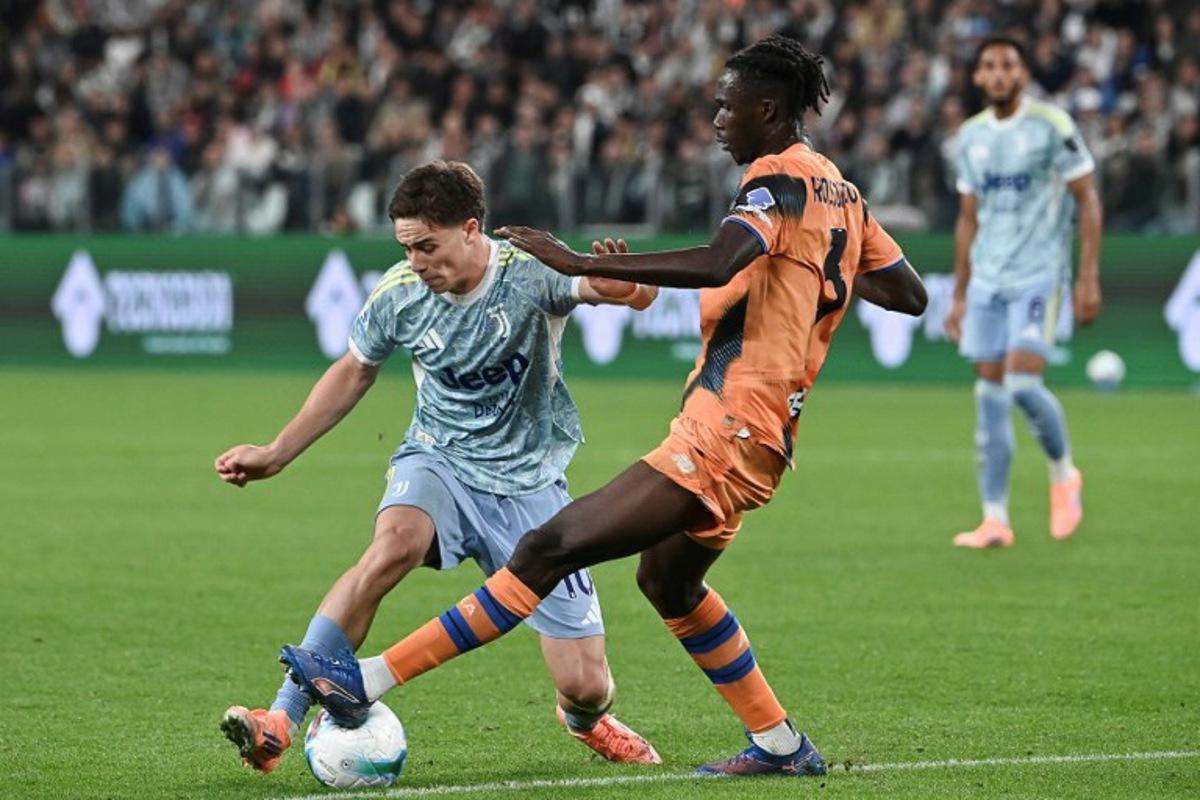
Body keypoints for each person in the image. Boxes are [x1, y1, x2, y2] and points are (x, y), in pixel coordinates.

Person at [281, 36, 926, 778]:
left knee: (547, 548)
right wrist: (819, 266)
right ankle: (781, 745)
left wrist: (582, 261)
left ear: (769, 108)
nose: (716, 116)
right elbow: (909, 294)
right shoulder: (841, 191)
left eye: (728, 103)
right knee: (669, 583)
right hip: (763, 431)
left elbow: (720, 261)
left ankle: (365, 678)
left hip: (731, 423)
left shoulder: (775, 180)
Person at [215, 160, 662, 773]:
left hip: (531, 486)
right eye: (407, 247)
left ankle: (586, 722)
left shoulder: (529, 276)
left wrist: (629, 286)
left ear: (472, 229)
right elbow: (355, 369)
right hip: (438, 459)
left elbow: (630, 293)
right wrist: (277, 452)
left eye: (428, 246)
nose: (418, 262)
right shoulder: (400, 293)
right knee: (392, 546)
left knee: (585, 684)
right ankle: (280, 721)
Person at [944, 36, 1103, 548]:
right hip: (988, 279)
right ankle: (995, 519)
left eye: (1007, 64)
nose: (997, 73)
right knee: (988, 394)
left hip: (1039, 275)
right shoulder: (968, 138)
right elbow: (968, 220)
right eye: (988, 65)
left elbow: (1088, 199)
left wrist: (1087, 277)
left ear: (1022, 73)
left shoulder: (1052, 126)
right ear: (977, 77)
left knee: (1021, 385)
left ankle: (1064, 474)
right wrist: (962, 294)